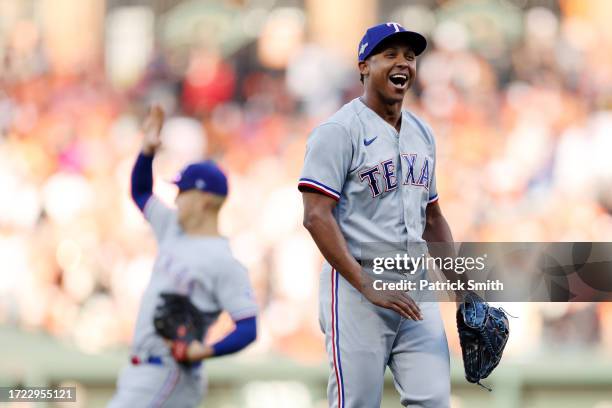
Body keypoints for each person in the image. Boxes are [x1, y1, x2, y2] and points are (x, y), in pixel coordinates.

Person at [299, 23, 455, 407]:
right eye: (390, 54)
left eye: (410, 56)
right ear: (364, 66)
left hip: (415, 284)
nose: (402, 62)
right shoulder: (338, 130)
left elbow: (432, 218)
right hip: (357, 288)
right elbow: (316, 216)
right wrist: (366, 284)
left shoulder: (422, 132)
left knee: (433, 401)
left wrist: (464, 287)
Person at [109, 106, 258, 407]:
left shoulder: (224, 261)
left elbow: (247, 326)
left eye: (182, 191)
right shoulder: (172, 227)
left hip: (169, 372)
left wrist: (204, 351)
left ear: (204, 201)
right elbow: (140, 192)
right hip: (140, 368)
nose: (176, 198)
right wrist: (147, 151)